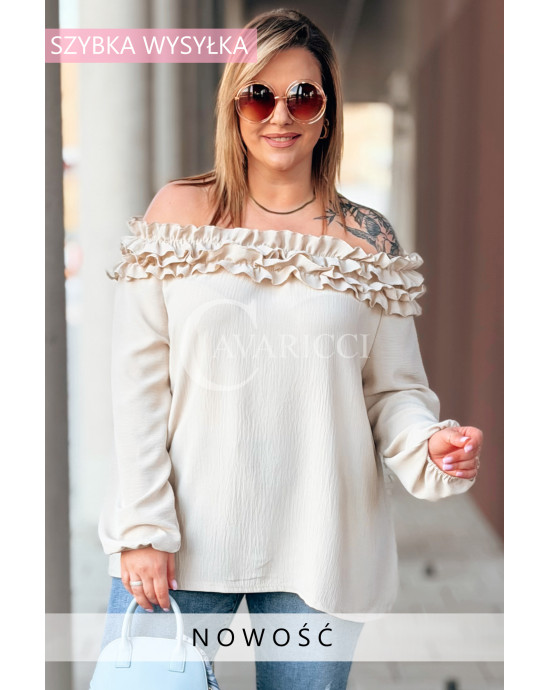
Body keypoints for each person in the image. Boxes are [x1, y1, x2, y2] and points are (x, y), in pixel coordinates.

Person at [97, 7, 483, 689]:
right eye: (259, 95)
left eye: (304, 95)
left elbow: (393, 391)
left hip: (321, 546)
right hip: (180, 546)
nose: (281, 114)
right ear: (234, 107)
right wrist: (142, 529)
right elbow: (137, 386)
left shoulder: (367, 238)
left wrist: (431, 444)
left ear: (327, 113)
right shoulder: (178, 213)